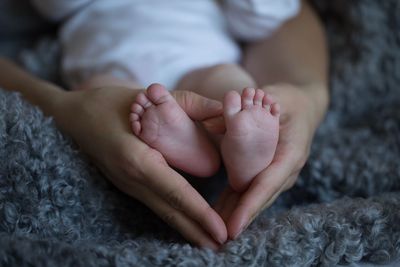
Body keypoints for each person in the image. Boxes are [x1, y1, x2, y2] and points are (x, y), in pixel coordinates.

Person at [0, 0, 329, 249]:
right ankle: (188, 144)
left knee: (232, 90)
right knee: (102, 93)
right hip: (115, 84)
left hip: (200, 62)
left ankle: (243, 143)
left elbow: (263, 16)